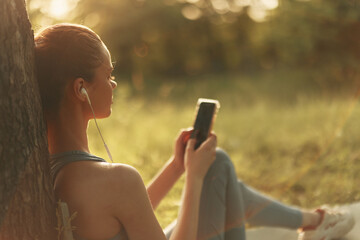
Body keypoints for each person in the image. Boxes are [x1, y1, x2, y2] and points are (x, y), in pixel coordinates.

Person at [34, 23, 355, 240]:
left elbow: (122, 209)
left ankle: (313, 222)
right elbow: (120, 197)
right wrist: (195, 177)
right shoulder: (114, 180)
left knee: (217, 167)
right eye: (108, 74)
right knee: (215, 167)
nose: (113, 83)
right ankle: (315, 222)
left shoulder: (40, 174)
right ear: (81, 89)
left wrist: (177, 167)